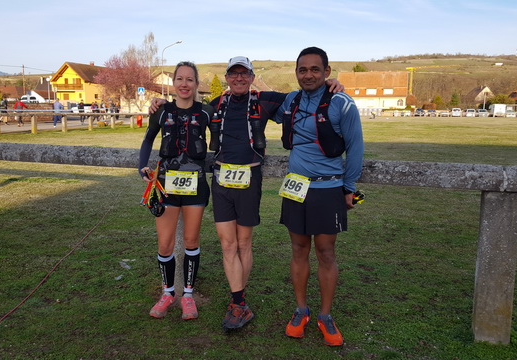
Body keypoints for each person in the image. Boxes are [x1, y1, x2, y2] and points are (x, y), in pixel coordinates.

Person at [150, 57, 344, 331]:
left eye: (244, 74)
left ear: (252, 77)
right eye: (234, 74)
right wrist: (158, 104)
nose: (239, 78)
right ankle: (238, 302)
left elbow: (303, 95)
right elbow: (186, 111)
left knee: (243, 244)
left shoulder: (265, 100)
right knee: (227, 245)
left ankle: (239, 302)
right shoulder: (215, 105)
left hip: (249, 179)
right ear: (227, 77)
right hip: (221, 180)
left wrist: (330, 85)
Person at [274, 46, 363, 346]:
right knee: (298, 250)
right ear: (296, 73)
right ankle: (301, 310)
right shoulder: (291, 100)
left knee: (325, 252)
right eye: (303, 69)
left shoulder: (342, 103)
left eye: (315, 69)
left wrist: (349, 188)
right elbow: (252, 102)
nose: (308, 74)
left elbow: (356, 148)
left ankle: (325, 316)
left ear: (326, 72)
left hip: (328, 188)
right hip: (295, 188)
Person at [138, 61, 213, 320]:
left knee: (192, 241)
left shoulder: (206, 112)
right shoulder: (161, 110)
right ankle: (168, 292)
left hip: (196, 185)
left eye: (189, 79)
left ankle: (188, 296)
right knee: (165, 243)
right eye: (179, 79)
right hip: (165, 185)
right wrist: (142, 167)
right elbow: (148, 139)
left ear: (196, 83)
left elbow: (220, 140)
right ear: (174, 83)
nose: (184, 84)